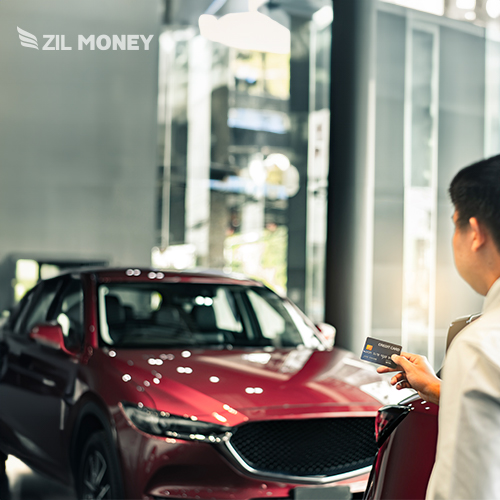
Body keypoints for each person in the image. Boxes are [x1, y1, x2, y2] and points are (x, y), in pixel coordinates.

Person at [377, 155, 500, 499]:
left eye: (455, 224)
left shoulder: (479, 345)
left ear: (474, 233)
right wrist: (435, 387)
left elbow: (466, 489)